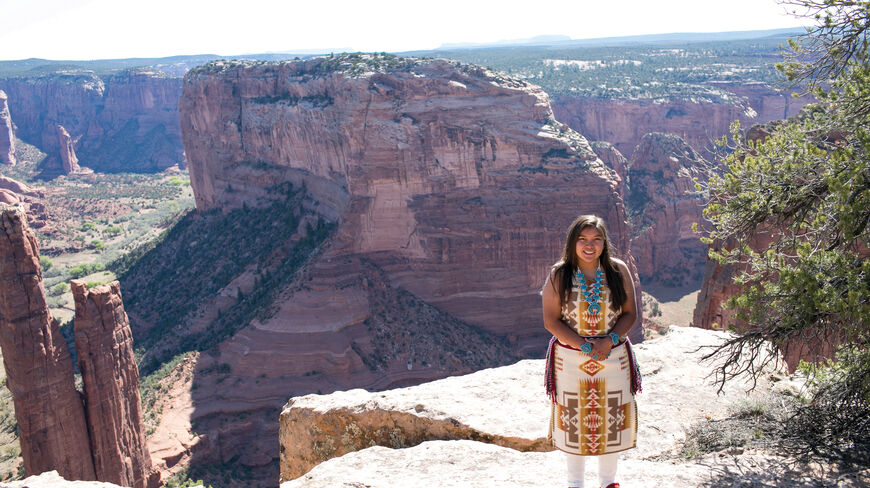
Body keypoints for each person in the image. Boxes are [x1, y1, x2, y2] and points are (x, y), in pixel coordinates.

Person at [542, 215, 641, 488]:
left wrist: (608, 341)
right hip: (571, 361)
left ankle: (608, 483)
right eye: (583, 239)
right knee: (574, 420)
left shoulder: (617, 270)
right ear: (573, 242)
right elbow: (551, 321)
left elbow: (631, 314)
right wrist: (585, 346)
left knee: (612, 418)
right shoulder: (559, 274)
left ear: (604, 242)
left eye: (596, 239)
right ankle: (576, 484)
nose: (589, 245)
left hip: (613, 357)